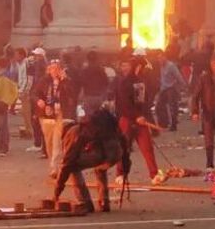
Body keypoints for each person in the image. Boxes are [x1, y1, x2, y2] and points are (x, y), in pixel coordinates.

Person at [53, 108, 130, 213]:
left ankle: (85, 203)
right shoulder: (104, 124)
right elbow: (124, 143)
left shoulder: (73, 132)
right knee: (100, 168)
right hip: (116, 153)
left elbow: (67, 163)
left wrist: (57, 191)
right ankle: (104, 202)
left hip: (101, 153)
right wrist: (125, 166)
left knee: (73, 167)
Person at [111, 57, 160, 185]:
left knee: (147, 147)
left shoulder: (140, 82)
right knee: (123, 148)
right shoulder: (123, 83)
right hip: (126, 119)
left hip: (140, 120)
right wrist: (136, 116)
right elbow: (123, 104)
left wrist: (143, 115)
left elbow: (142, 103)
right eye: (142, 68)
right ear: (137, 67)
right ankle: (120, 174)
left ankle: (154, 175)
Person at [32, 60, 78, 178]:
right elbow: (34, 93)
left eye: (57, 69)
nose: (54, 71)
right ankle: (53, 164)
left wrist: (65, 80)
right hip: (46, 114)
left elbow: (72, 94)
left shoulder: (66, 81)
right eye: (52, 68)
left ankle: (54, 167)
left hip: (59, 114)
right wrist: (39, 101)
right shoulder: (44, 80)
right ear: (49, 69)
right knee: (49, 141)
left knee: (57, 140)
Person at [155, 51, 186, 131]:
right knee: (159, 106)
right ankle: (164, 123)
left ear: (165, 57)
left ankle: (173, 125)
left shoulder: (171, 66)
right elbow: (163, 78)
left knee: (173, 107)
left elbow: (178, 76)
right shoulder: (161, 66)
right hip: (164, 89)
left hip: (171, 88)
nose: (160, 60)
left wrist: (183, 86)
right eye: (158, 58)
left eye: (161, 58)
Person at [26, 47, 48, 153]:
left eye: (36, 55)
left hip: (37, 95)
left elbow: (36, 81)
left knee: (36, 118)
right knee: (38, 119)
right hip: (40, 95)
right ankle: (40, 143)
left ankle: (38, 142)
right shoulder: (43, 65)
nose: (34, 57)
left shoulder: (39, 65)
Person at [14, 48, 33, 138]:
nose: (15, 57)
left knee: (27, 112)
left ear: (21, 55)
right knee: (24, 113)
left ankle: (30, 130)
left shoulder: (26, 63)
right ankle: (28, 129)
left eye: (17, 55)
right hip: (21, 89)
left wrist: (25, 90)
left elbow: (28, 78)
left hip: (25, 91)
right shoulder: (19, 64)